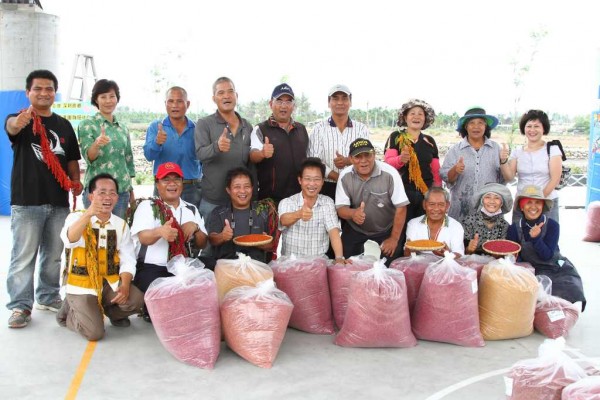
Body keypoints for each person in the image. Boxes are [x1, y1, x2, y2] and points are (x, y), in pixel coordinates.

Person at [4, 70, 82, 329]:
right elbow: (11, 128)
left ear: (54, 93)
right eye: (38, 89)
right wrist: (20, 121)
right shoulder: (21, 120)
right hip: (27, 202)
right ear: (28, 92)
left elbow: (71, 158)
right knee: (24, 256)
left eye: (49, 89)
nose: (44, 93)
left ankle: (48, 296)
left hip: (58, 201)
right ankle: (19, 306)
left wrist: (75, 181)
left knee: (54, 255)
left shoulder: (64, 125)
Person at [57, 173, 144, 340]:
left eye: (112, 193)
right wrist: (88, 215)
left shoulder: (121, 224)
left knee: (136, 300)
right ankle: (68, 313)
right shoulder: (76, 217)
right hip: (81, 284)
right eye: (102, 192)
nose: (107, 197)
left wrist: (125, 285)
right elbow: (69, 240)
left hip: (108, 282)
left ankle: (113, 314)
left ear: (117, 198)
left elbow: (128, 259)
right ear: (91, 196)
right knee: (95, 334)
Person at [130, 162, 207, 322]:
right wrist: (160, 231)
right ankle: (153, 306)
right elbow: (143, 237)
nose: (172, 183)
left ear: (182, 183)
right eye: (166, 179)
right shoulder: (147, 206)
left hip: (183, 266)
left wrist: (196, 228)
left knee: (212, 274)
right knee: (169, 306)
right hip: (152, 269)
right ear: (157, 184)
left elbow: (202, 243)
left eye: (176, 179)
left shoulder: (191, 209)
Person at [506, 185, 586, 311]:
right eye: (528, 202)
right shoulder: (514, 228)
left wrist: (536, 238)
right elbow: (515, 257)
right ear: (521, 206)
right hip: (530, 270)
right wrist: (527, 274)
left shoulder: (552, 225)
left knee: (569, 287)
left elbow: (547, 255)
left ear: (543, 206)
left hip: (553, 267)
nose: (533, 206)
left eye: (538, 202)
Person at [336, 139, 409, 262]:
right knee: (349, 265)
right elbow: (340, 209)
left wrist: (394, 239)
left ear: (374, 155)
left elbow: (401, 207)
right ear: (351, 159)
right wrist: (353, 213)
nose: (363, 161)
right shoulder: (344, 176)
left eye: (367, 155)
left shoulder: (390, 173)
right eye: (358, 157)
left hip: (386, 229)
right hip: (356, 230)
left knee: (388, 268)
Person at [384, 99, 441, 249]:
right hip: (402, 193)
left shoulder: (430, 141)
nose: (416, 117)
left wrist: (437, 193)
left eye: (420, 114)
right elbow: (387, 163)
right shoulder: (396, 136)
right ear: (405, 117)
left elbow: (435, 171)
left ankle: (421, 262)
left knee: (422, 229)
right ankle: (398, 260)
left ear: (425, 118)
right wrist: (401, 160)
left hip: (425, 193)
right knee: (400, 230)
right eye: (412, 113)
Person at [194, 77, 253, 221]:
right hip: (212, 201)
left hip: (240, 202)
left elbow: (250, 162)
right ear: (214, 98)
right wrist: (216, 147)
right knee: (209, 242)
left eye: (230, 91)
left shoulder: (247, 126)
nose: (226, 96)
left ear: (236, 96)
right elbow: (200, 154)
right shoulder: (204, 124)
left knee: (240, 242)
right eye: (221, 93)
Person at [78, 79, 135, 219]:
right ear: (96, 100)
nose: (108, 101)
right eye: (103, 97)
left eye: (112, 96)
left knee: (117, 235)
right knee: (97, 236)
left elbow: (128, 161)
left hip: (121, 193)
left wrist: (131, 193)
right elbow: (89, 157)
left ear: (117, 98)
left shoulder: (122, 127)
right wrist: (96, 144)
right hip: (97, 193)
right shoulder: (87, 125)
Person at [440, 107, 509, 223]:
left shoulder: (496, 149)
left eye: (480, 123)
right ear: (466, 127)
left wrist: (504, 161)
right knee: (459, 240)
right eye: (471, 123)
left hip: (489, 213)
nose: (476, 127)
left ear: (486, 126)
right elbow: (447, 178)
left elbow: (505, 180)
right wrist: (455, 170)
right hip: (460, 212)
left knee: (488, 241)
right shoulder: (455, 150)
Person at [308, 84, 370, 200]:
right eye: (335, 98)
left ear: (350, 102)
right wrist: (338, 177)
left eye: (344, 98)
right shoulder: (318, 129)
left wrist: (347, 160)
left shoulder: (361, 129)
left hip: (356, 185)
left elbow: (367, 157)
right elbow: (315, 161)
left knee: (355, 217)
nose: (340, 102)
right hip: (326, 187)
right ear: (328, 102)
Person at [249, 83, 309, 203]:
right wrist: (262, 153)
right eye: (279, 101)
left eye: (288, 102)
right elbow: (252, 155)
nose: (284, 106)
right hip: (271, 200)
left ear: (293, 106)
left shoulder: (301, 129)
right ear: (271, 104)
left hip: (299, 198)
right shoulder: (260, 129)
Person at [143, 86, 201, 208]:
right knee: (162, 223)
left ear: (188, 104)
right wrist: (157, 143)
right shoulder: (156, 126)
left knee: (191, 225)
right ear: (165, 104)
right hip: (164, 186)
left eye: (179, 101)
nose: (175, 105)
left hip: (191, 188)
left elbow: (204, 157)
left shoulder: (197, 128)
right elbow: (149, 156)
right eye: (171, 101)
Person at [279, 157, 346, 262]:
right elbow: (283, 220)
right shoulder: (287, 202)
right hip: (290, 264)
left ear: (323, 181)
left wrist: (339, 258)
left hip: (318, 265)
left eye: (317, 179)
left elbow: (334, 232)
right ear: (300, 180)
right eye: (308, 179)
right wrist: (299, 214)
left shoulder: (327, 203)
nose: (312, 184)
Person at [501, 109, 562, 223]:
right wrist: (503, 161)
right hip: (522, 204)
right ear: (524, 128)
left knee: (547, 238)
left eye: (536, 126)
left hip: (547, 201)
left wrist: (537, 201)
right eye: (529, 126)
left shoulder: (552, 149)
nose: (532, 130)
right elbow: (509, 177)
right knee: (519, 238)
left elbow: (555, 179)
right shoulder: (517, 151)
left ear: (544, 128)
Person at [207, 167, 274, 264]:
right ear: (228, 190)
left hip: (257, 266)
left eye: (247, 186)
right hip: (227, 266)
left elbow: (272, 245)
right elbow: (212, 239)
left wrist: (263, 243)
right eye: (237, 187)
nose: (242, 191)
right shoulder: (219, 212)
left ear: (252, 188)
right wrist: (222, 236)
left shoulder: (263, 211)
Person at [404, 186, 464, 258]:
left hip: (445, 266)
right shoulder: (413, 224)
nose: (436, 209)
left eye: (441, 204)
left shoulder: (456, 226)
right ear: (424, 205)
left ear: (447, 206)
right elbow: (407, 255)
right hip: (419, 266)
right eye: (431, 204)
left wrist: (448, 254)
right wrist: (408, 249)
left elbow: (459, 254)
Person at [462, 182, 513, 255]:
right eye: (488, 197)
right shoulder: (469, 221)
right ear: (482, 201)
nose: (492, 201)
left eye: (497, 198)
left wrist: (498, 254)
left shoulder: (505, 225)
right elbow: (460, 253)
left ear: (502, 203)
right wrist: (469, 249)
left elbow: (503, 255)